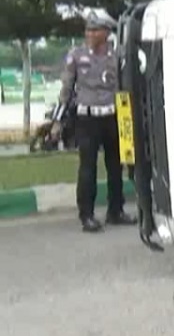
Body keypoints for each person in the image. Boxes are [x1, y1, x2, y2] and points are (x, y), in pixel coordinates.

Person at [54, 12, 136, 233]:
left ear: (107, 33)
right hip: (87, 119)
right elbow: (66, 90)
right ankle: (87, 215)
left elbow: (125, 86)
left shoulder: (118, 56)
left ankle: (116, 210)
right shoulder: (76, 56)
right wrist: (57, 121)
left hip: (112, 116)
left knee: (115, 166)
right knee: (87, 168)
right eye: (88, 30)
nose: (89, 34)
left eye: (94, 30)